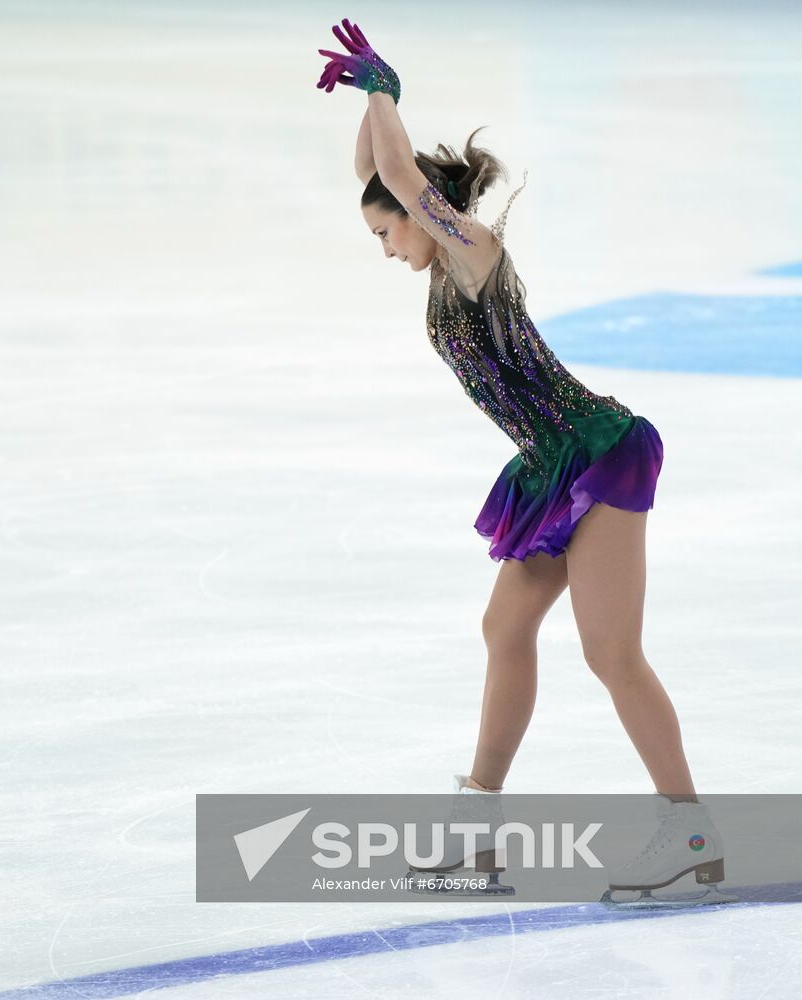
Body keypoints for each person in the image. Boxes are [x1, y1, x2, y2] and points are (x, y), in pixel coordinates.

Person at [316, 18, 736, 909]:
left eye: (385, 235)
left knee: (610, 653)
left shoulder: (473, 252)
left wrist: (385, 85)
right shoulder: (437, 262)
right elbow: (376, 174)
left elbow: (395, 177)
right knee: (504, 633)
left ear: (421, 216)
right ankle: (477, 833)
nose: (385, 249)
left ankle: (692, 836)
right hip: (547, 465)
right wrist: (369, 100)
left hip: (600, 452)